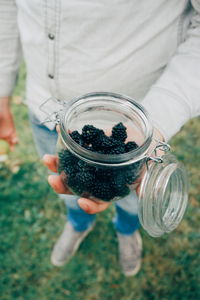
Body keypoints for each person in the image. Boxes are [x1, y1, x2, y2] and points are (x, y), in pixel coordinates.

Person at [0, 1, 200, 277]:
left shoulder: (135, 139)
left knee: (131, 194)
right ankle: (78, 223)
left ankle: (127, 230)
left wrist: (162, 114)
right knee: (69, 188)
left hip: (138, 118)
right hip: (44, 107)